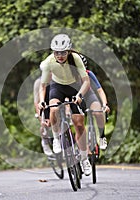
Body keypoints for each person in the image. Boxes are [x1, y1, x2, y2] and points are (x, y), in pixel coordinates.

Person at [38, 34, 92, 176]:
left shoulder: (76, 59)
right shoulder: (49, 62)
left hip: (75, 86)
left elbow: (86, 81)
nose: (60, 55)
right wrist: (42, 101)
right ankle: (56, 138)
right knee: (54, 109)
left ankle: (84, 159)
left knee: (79, 125)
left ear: (68, 51)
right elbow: (43, 86)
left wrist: (80, 95)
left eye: (63, 52)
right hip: (57, 87)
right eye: (57, 52)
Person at [84, 69, 110, 150]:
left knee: (98, 112)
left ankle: (102, 136)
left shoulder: (88, 73)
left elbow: (100, 90)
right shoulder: (67, 74)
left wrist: (105, 105)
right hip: (76, 98)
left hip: (89, 96)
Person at [33, 77, 53, 156]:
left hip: (54, 102)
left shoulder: (57, 78)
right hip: (43, 104)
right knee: (44, 123)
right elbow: (36, 102)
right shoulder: (38, 82)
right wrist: (41, 118)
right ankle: (44, 140)